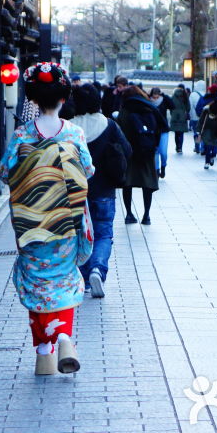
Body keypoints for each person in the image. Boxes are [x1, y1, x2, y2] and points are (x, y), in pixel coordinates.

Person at [0, 62, 94, 375]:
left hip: (31, 222)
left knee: (37, 280)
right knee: (63, 277)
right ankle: (64, 337)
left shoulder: (22, 134)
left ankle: (43, 351)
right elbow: (88, 171)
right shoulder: (74, 133)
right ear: (63, 98)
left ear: (35, 98)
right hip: (66, 219)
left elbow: (3, 171)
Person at [70, 84, 132, 298]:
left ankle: (85, 277)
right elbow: (127, 150)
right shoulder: (109, 125)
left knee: (80, 234)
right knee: (104, 233)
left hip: (74, 193)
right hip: (104, 189)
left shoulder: (67, 128)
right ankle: (98, 268)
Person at [119, 85, 167, 225]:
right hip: (147, 151)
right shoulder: (149, 108)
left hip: (129, 152)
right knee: (148, 183)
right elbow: (161, 127)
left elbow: (120, 130)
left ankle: (129, 214)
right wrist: (153, 145)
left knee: (127, 183)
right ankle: (146, 215)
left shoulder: (125, 110)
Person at [149, 87, 174, 178]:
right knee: (155, 151)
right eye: (154, 97)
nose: (155, 99)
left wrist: (165, 96)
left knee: (163, 152)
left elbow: (172, 106)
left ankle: (163, 166)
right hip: (153, 130)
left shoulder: (164, 100)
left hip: (163, 129)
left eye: (157, 97)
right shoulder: (149, 101)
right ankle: (157, 170)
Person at [197, 84, 217, 169]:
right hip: (207, 126)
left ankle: (212, 157)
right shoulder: (208, 99)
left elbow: (199, 109)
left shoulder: (216, 100)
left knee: (213, 144)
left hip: (215, 126)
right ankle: (207, 160)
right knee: (208, 144)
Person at [170, 86, 191, 153]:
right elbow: (188, 107)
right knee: (181, 133)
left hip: (174, 115)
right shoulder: (185, 96)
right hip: (182, 115)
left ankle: (177, 146)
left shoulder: (173, 96)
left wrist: (172, 113)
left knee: (176, 133)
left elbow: (170, 106)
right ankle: (180, 148)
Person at [189, 87, 203, 154]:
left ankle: (197, 147)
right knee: (203, 133)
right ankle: (203, 148)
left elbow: (190, 106)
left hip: (195, 117)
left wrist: (191, 116)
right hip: (204, 117)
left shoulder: (193, 94)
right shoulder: (207, 93)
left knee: (196, 132)